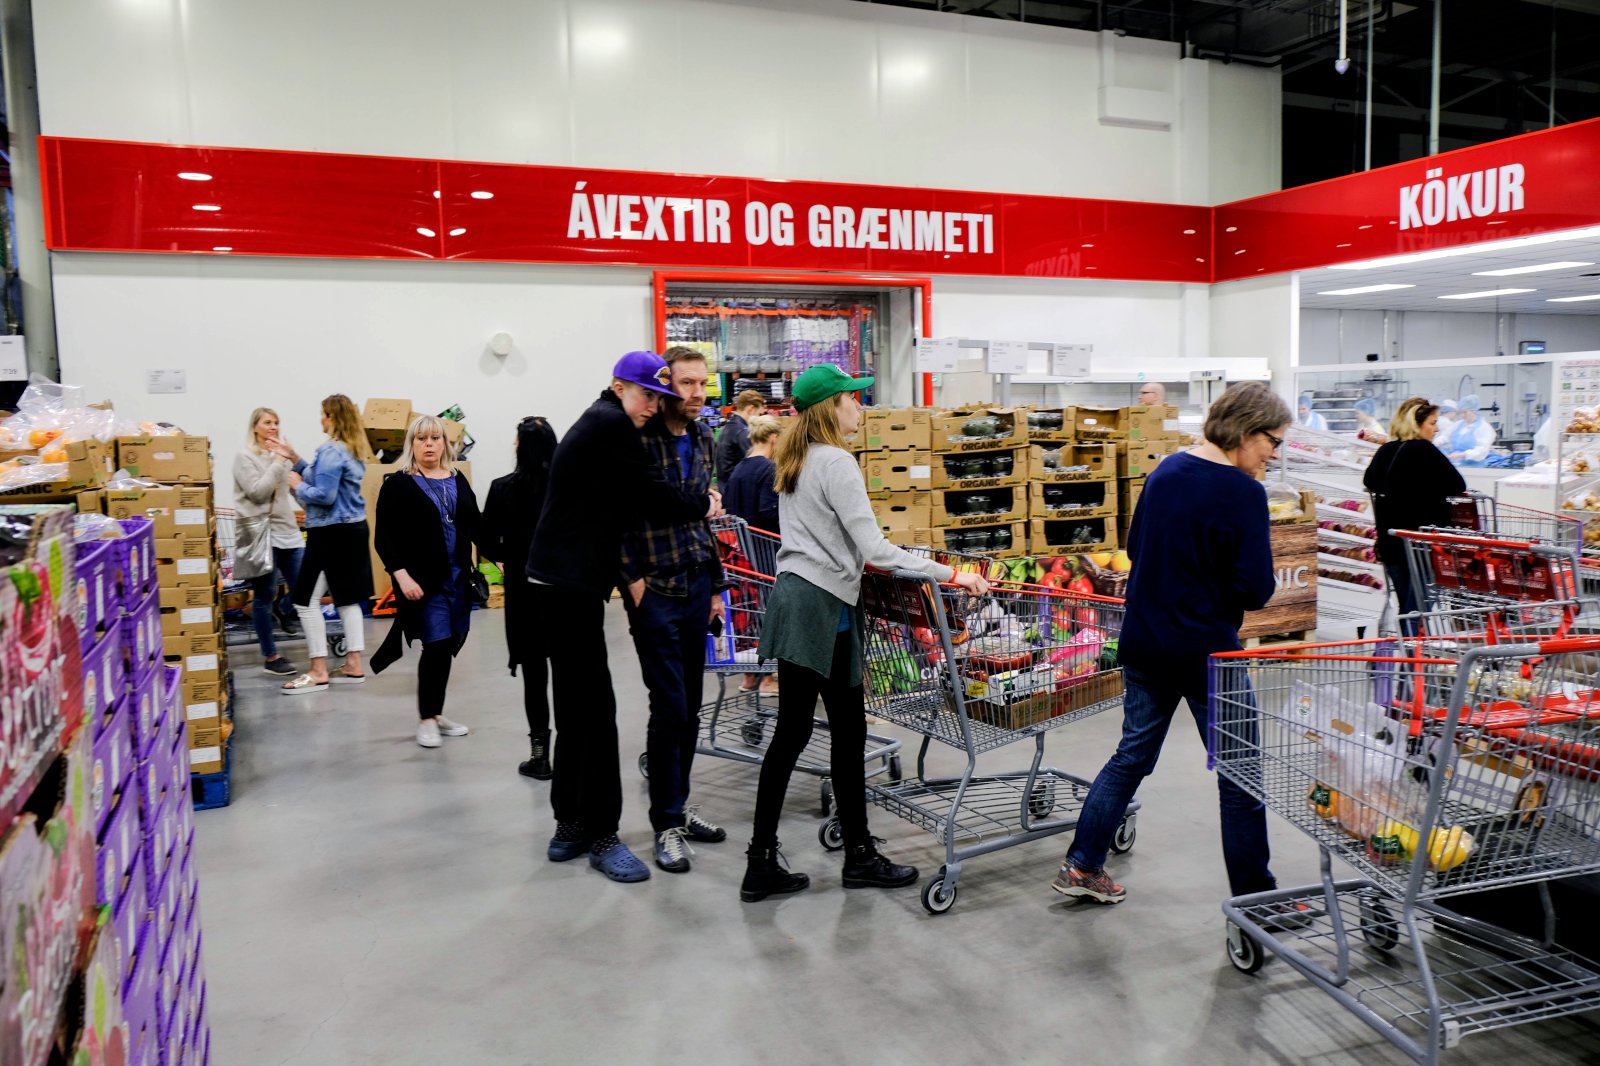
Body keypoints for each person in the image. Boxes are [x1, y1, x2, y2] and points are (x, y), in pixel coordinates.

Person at [740, 364, 989, 904]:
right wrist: (952, 574)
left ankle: (842, 856)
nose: (860, 406)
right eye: (852, 398)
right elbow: (875, 549)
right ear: (831, 406)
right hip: (818, 607)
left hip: (807, 600)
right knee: (807, 734)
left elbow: (846, 544)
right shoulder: (836, 462)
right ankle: (784, 861)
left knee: (832, 732)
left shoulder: (799, 458)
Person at [1050, 381, 1290, 907]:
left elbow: (1135, 548)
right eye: (1273, 441)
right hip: (1206, 653)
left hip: (1145, 642)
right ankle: (1258, 900)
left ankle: (1082, 864)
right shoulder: (1244, 493)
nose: (1274, 454)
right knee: (1240, 776)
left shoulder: (1166, 471)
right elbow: (1255, 589)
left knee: (1131, 757)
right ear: (1246, 432)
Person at [528, 351, 721, 884]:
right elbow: (656, 499)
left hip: (562, 581)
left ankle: (570, 824)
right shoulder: (612, 425)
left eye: (659, 396)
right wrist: (704, 505)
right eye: (647, 395)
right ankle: (603, 836)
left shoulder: (603, 421)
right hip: (570, 582)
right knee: (596, 712)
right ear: (619, 388)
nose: (653, 406)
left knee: (575, 709)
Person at [619, 346, 729, 874]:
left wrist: (717, 586)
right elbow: (616, 518)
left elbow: (702, 521)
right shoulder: (639, 439)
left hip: (697, 584)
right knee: (670, 709)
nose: (697, 393)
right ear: (666, 387)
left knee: (690, 708)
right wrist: (632, 582)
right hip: (656, 591)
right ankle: (665, 824)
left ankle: (679, 808)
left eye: (702, 383)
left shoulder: (705, 438)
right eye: (687, 383)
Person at [371, 416, 484, 747]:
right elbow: (384, 539)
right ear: (412, 444)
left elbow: (475, 525)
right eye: (422, 439)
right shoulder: (399, 484)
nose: (429, 444)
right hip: (424, 582)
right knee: (435, 645)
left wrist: (498, 557)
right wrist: (401, 575)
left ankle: (436, 712)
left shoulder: (457, 478)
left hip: (457, 579)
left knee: (448, 645)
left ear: (444, 444)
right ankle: (426, 719)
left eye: (435, 438)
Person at [277, 395, 373, 694]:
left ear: (332, 417)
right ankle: (353, 664)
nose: (320, 418)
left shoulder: (331, 450)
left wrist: (297, 486)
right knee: (347, 599)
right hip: (352, 530)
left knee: (305, 602)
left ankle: (318, 670)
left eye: (323, 414)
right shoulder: (352, 448)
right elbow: (324, 478)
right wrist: (295, 458)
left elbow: (325, 494)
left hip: (331, 533)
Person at [483, 416, 559, 779]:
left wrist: (509, 556)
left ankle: (540, 755)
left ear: (520, 446)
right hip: (562, 591)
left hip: (523, 592)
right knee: (569, 674)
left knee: (534, 675)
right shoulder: (567, 487)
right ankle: (575, 752)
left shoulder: (502, 488)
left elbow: (485, 539)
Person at [1363, 398, 1465, 626]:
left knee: (1407, 609)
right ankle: (1409, 650)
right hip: (1422, 546)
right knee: (1417, 612)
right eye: (1432, 423)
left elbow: (1370, 481)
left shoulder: (1387, 449)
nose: (1436, 429)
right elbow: (1457, 484)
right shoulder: (1424, 449)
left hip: (1391, 544)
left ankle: (1407, 648)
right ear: (1416, 425)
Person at [232, 407, 304, 676]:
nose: (273, 427)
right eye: (267, 422)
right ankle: (271, 656)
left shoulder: (280, 455)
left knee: (304, 588)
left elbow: (291, 488)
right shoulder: (244, 457)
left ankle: (282, 608)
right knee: (263, 595)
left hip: (289, 531)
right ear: (255, 427)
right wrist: (277, 461)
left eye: (276, 422)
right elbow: (258, 493)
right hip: (262, 534)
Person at [722, 415, 781, 535]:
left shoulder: (738, 468)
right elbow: (769, 513)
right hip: (764, 542)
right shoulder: (770, 469)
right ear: (774, 438)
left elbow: (729, 508)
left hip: (743, 541)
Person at [715, 390, 768, 484]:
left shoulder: (728, 427)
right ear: (751, 409)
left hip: (726, 486)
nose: (759, 418)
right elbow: (755, 465)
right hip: (737, 488)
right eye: (759, 414)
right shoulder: (742, 433)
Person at [1443, 393, 1496, 465]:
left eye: (1465, 412)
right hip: (1456, 464)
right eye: (1461, 412)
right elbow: (1445, 436)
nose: (1462, 415)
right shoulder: (1458, 425)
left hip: (1473, 467)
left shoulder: (1484, 427)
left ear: (1474, 411)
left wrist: (1462, 455)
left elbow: (1481, 451)